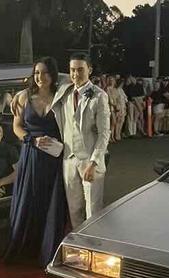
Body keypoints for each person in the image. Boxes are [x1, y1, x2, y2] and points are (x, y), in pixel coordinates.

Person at [3, 57, 68, 266]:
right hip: (31, 154)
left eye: (46, 73)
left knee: (50, 203)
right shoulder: (23, 98)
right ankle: (24, 248)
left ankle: (47, 250)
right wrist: (31, 139)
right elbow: (17, 127)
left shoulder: (62, 96)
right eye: (37, 73)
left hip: (53, 159)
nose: (41, 77)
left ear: (53, 75)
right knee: (28, 201)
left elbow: (72, 79)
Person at [51, 52, 110, 229]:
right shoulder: (65, 92)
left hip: (89, 160)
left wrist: (94, 162)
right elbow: (41, 84)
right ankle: (79, 248)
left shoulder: (99, 96)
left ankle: (95, 246)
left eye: (80, 70)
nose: (75, 74)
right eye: (72, 70)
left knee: (93, 208)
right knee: (74, 209)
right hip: (69, 160)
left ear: (89, 70)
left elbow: (104, 133)